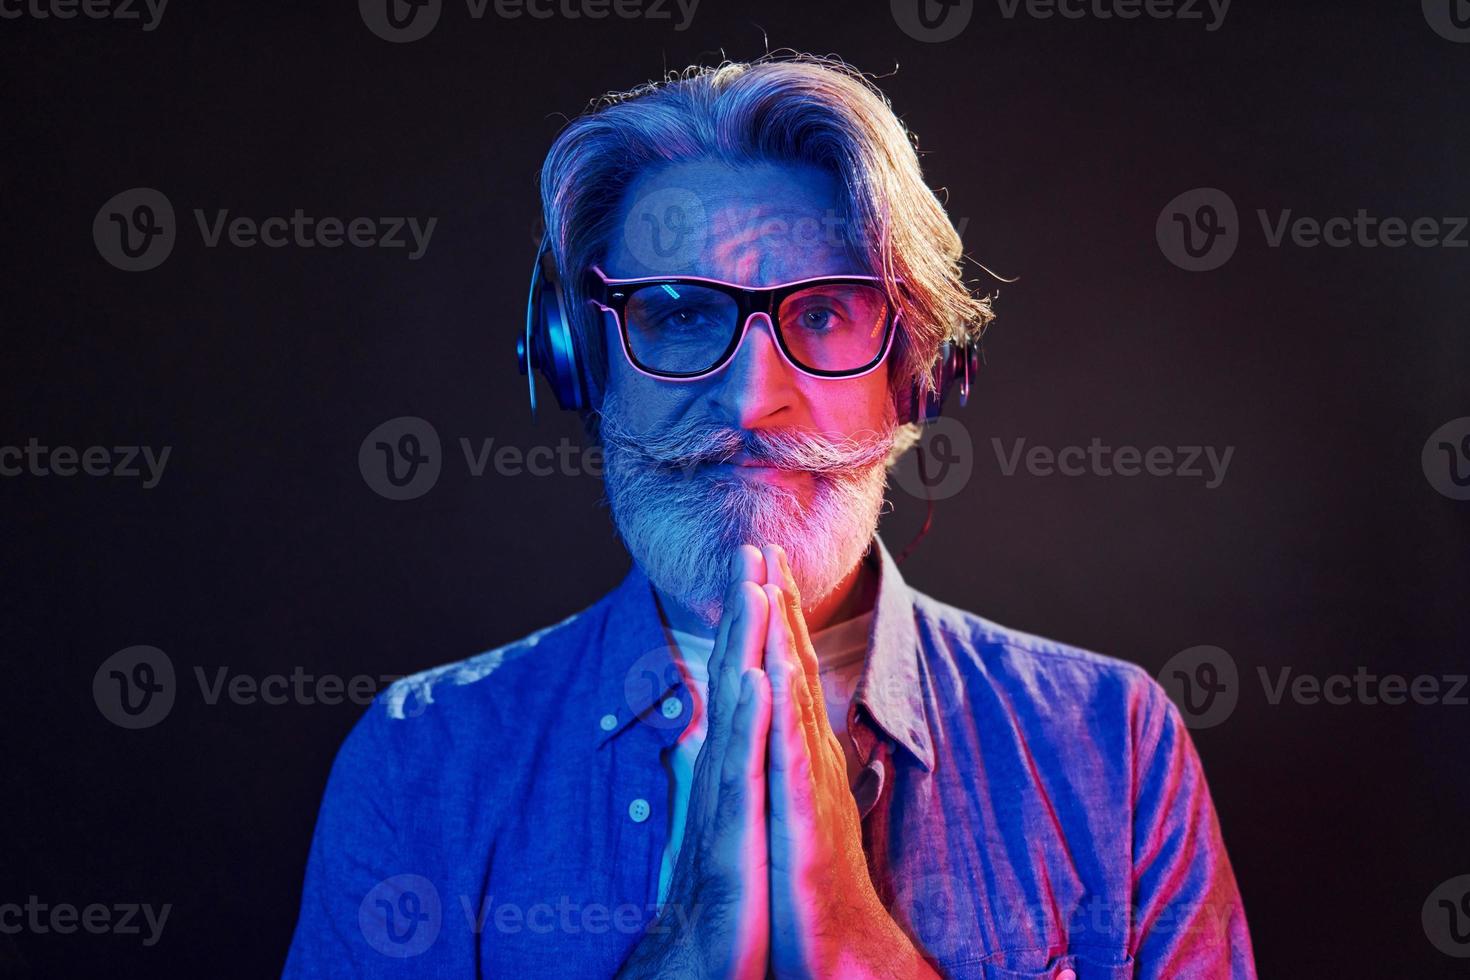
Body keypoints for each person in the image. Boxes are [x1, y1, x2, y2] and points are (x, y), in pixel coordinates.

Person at [285, 53, 1256, 978]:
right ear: (580, 361)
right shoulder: (420, 758)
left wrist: (857, 948)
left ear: (913, 374)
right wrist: (689, 947)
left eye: (827, 312)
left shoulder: (1116, 744)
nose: (752, 398)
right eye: (676, 311)